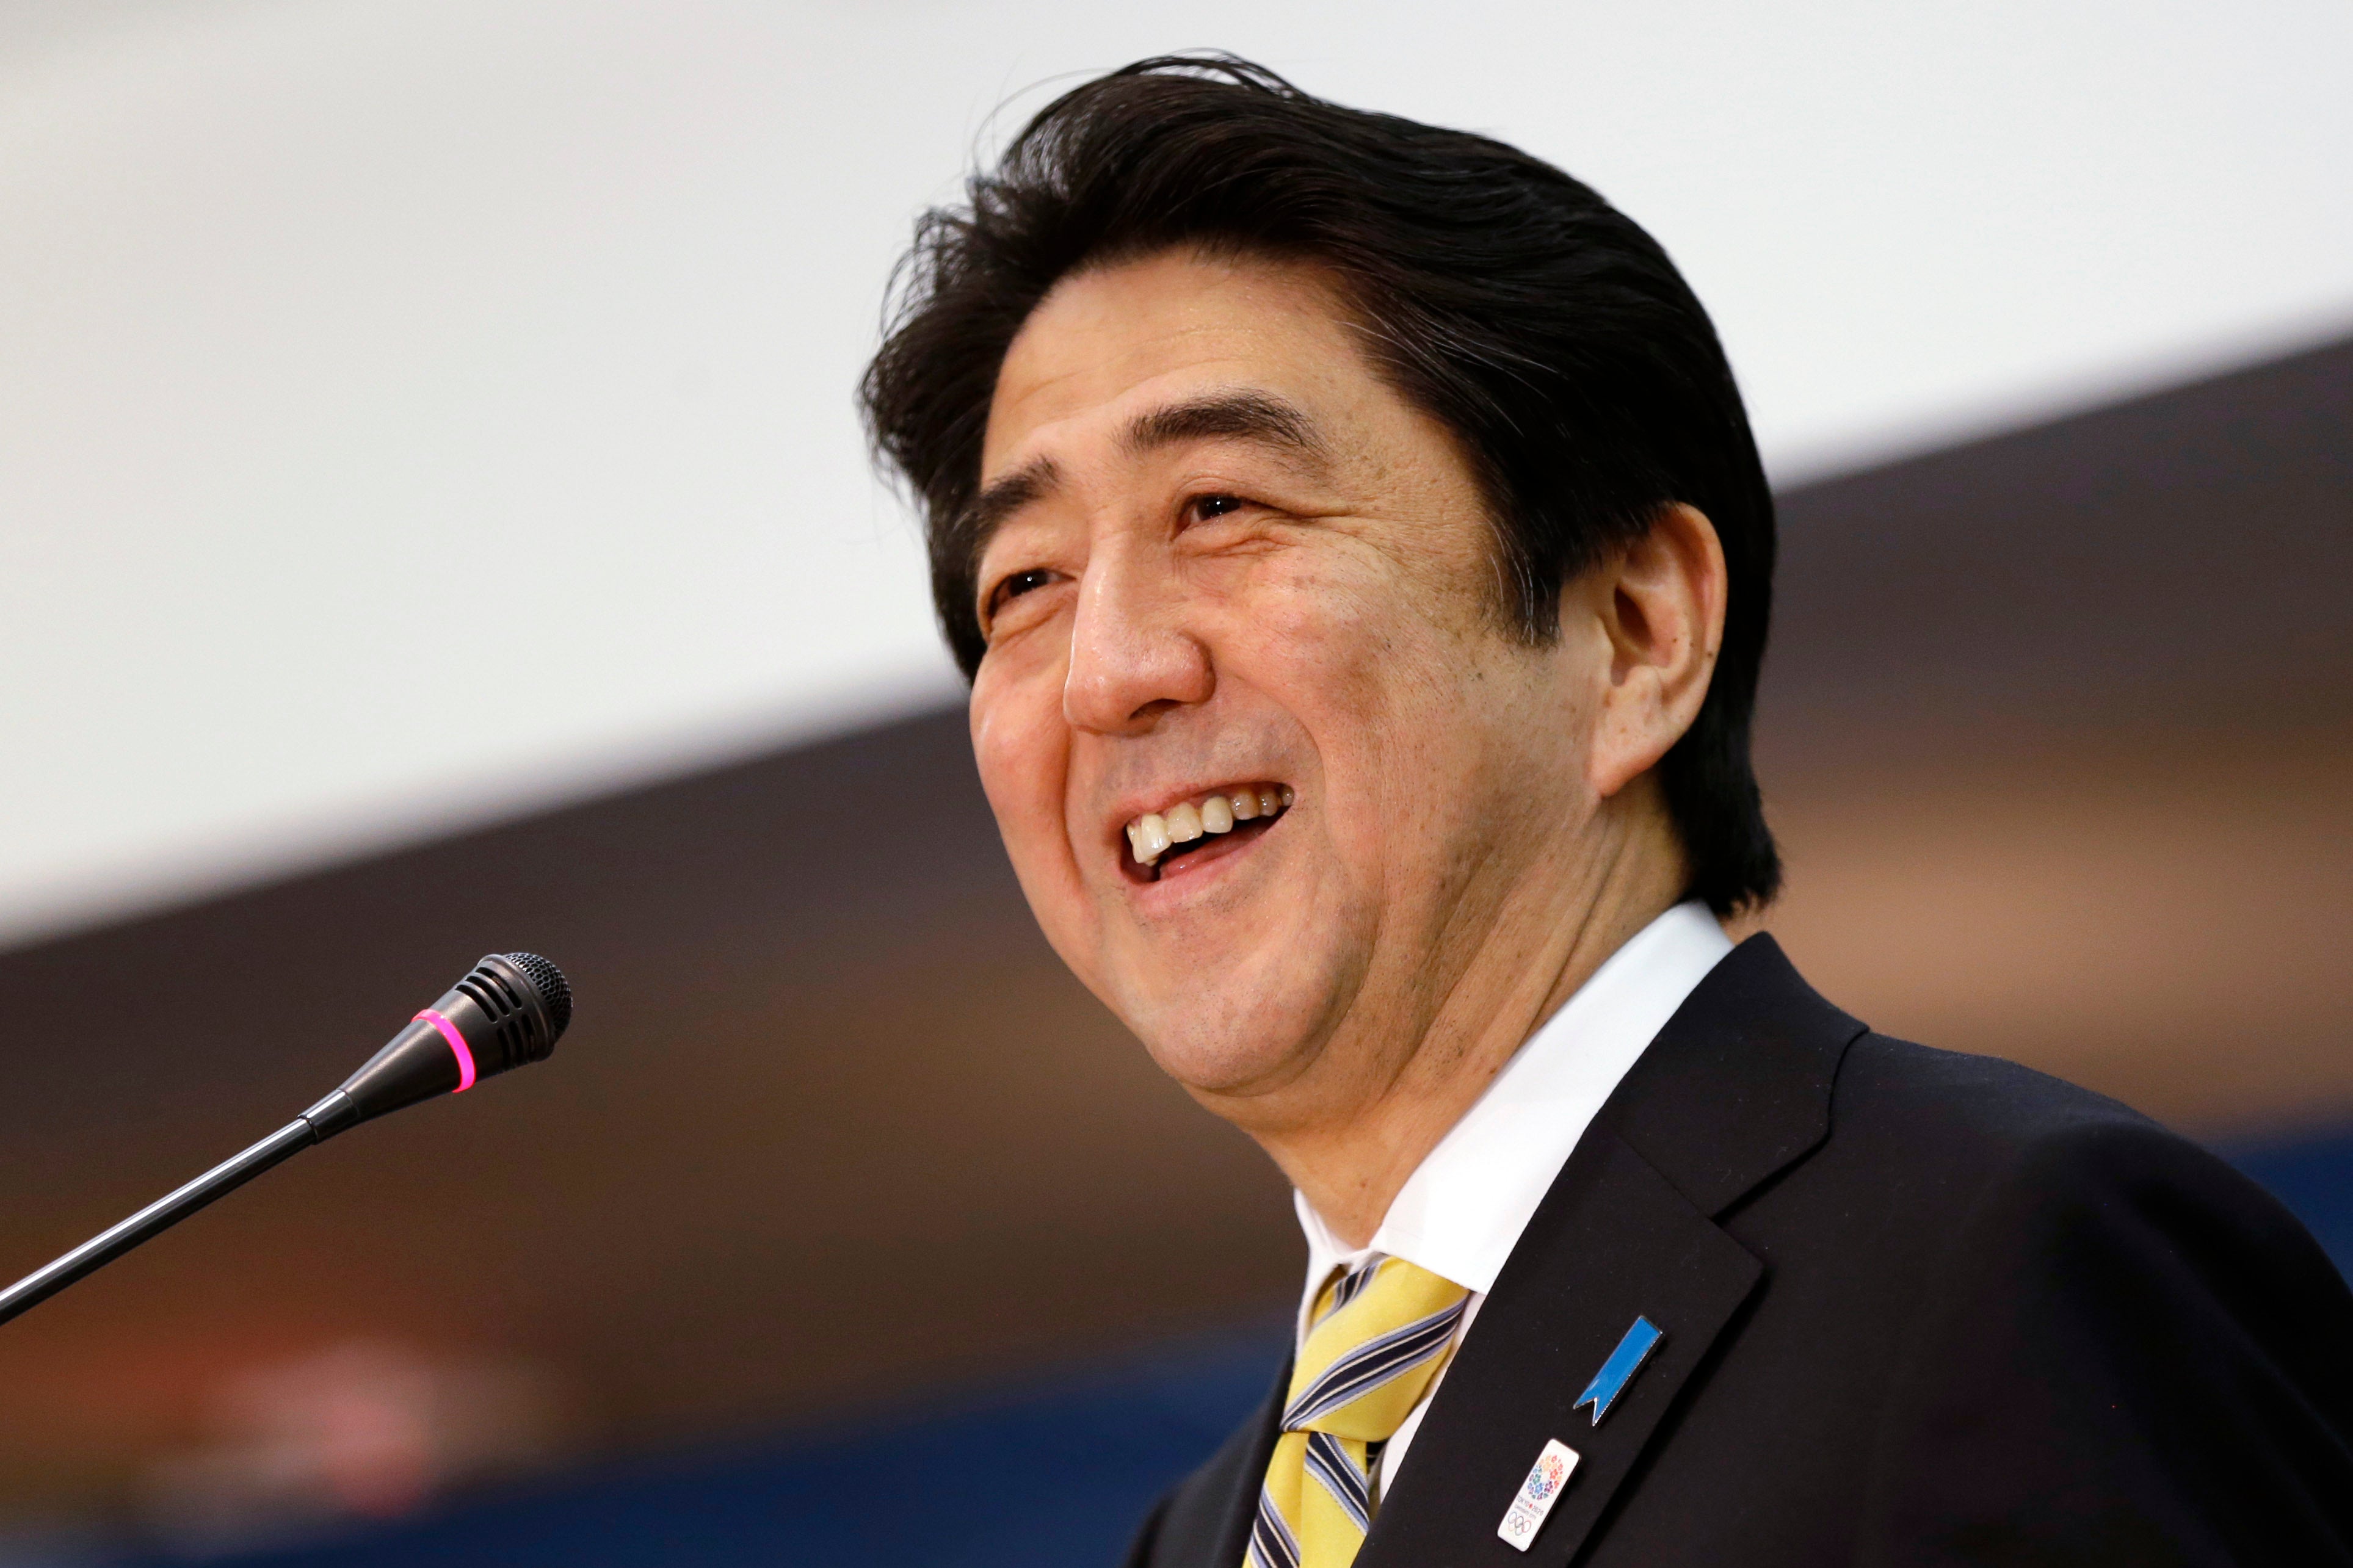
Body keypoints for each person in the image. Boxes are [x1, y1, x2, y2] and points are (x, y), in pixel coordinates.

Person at [857, 54, 2353, 1567]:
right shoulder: (1195, 1539)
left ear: (1636, 633)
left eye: (1222, 506)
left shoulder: (2013, 1267)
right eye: (1024, 584)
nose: (1107, 670)